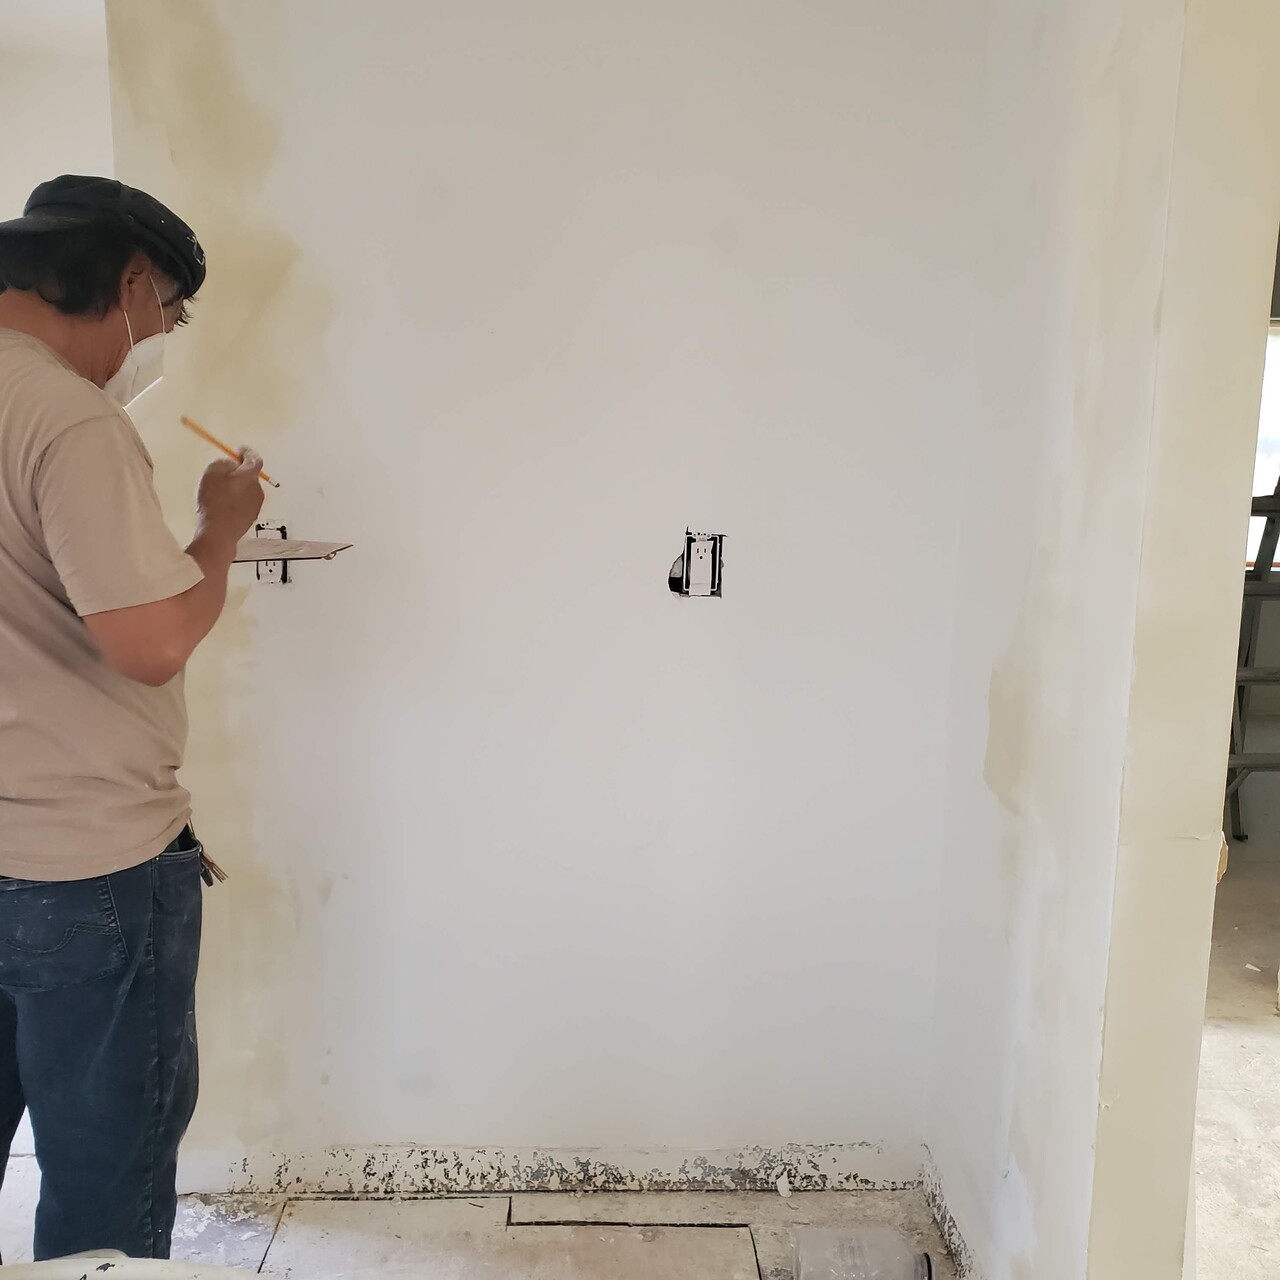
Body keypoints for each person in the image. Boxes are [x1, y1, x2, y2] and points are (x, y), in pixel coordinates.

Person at [0, 175, 266, 1260]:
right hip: (84, 867)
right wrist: (220, 527)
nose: (157, 341)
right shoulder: (68, 415)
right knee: (103, 1189)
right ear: (132, 283)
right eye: (169, 314)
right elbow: (150, 641)